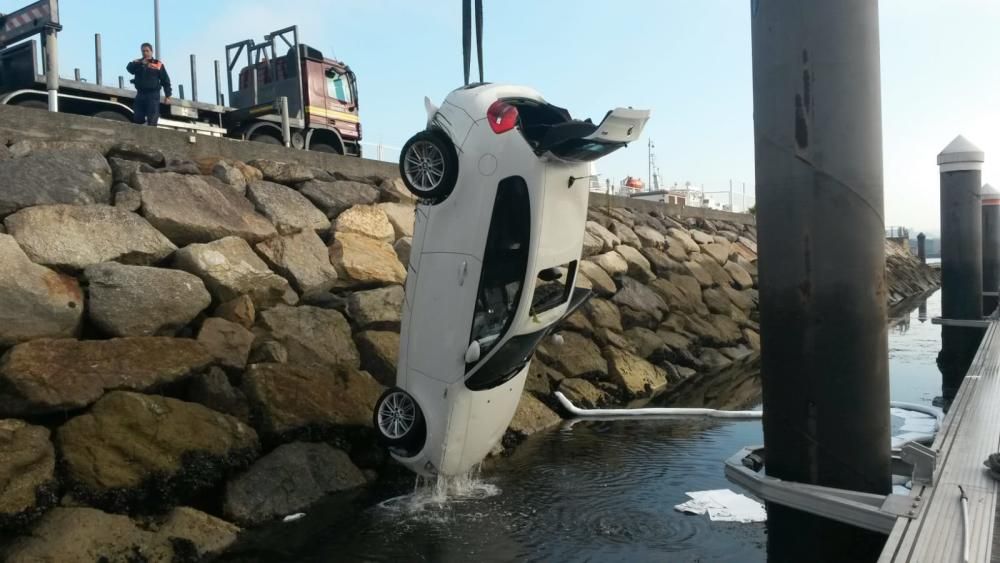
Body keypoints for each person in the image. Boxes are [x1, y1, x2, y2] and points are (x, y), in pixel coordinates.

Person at [126, 43, 171, 126]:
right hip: (140, 94)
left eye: (147, 51)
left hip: (153, 95)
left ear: (151, 52)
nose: (145, 53)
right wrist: (140, 63)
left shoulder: (158, 64)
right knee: (137, 118)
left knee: (152, 119)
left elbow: (165, 80)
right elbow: (129, 69)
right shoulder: (138, 62)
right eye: (143, 51)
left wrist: (167, 96)